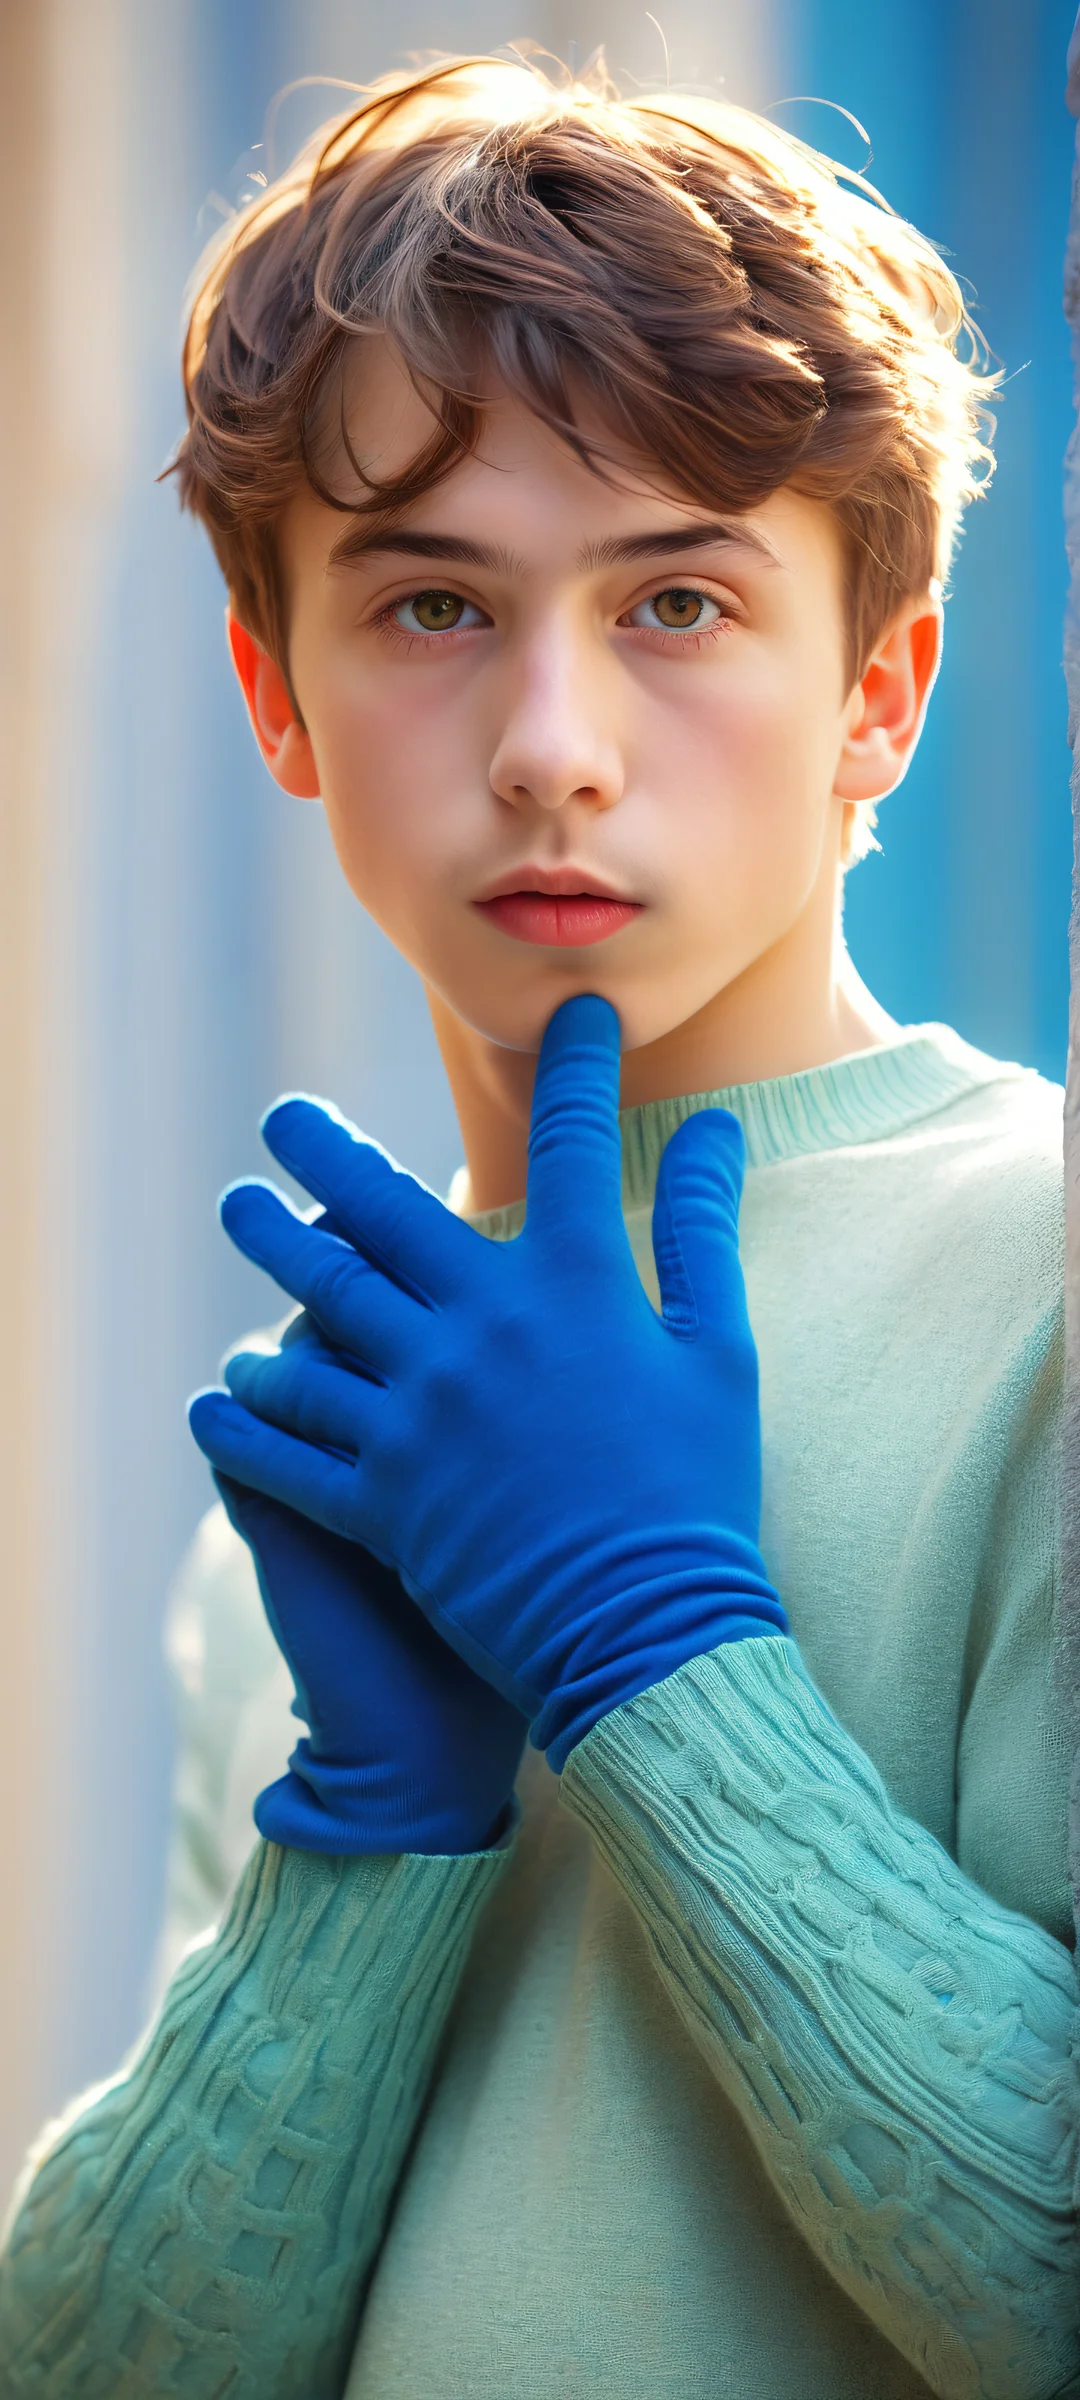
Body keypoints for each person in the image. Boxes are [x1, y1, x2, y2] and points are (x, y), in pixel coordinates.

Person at [0, 53, 1076, 2400]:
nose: (554, 743)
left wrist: (656, 1649)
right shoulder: (349, 1435)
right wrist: (364, 1852)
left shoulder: (1053, 1290)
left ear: (877, 690)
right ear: (277, 693)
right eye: (432, 609)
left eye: (679, 598)